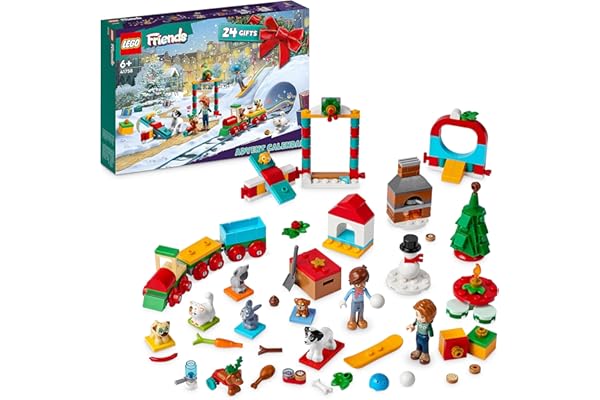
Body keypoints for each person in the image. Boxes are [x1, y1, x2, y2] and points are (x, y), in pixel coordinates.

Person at [406, 299, 437, 364]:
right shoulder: (417, 320)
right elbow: (414, 323)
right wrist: (411, 326)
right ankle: (418, 350)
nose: (419, 318)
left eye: (422, 317)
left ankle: (425, 353)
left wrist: (431, 334)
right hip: (418, 334)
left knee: (424, 345)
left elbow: (430, 330)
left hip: (424, 336)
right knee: (418, 343)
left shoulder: (427, 324)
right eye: (417, 314)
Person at [340, 266, 371, 330]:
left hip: (361, 303)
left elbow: (368, 295)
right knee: (353, 312)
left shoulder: (364, 290)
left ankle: (360, 320)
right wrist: (344, 301)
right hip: (354, 303)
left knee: (361, 312)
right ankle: (352, 321)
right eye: (359, 284)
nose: (362, 285)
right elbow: (347, 295)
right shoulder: (352, 290)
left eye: (364, 283)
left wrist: (371, 299)